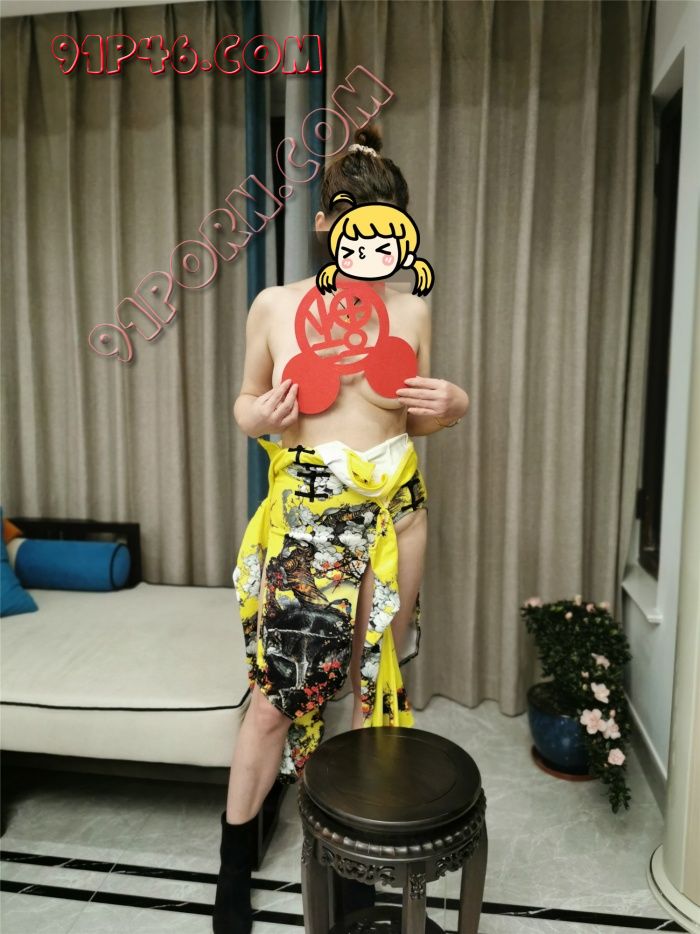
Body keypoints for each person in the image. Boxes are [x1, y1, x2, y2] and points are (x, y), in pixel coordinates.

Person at [212, 124, 470, 934]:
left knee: (367, 687)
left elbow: (411, 417)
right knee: (275, 700)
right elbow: (244, 405)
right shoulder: (275, 306)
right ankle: (232, 867)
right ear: (328, 224)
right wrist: (263, 413)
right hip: (309, 526)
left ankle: (353, 870)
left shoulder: (413, 309)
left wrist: (453, 405)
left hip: (398, 518)